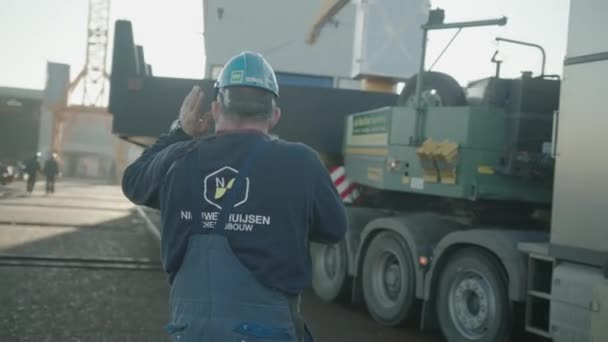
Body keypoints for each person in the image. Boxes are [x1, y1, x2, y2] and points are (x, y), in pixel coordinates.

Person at [122, 51, 347, 341]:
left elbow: (133, 181)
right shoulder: (301, 162)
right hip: (268, 332)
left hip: (189, 333)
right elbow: (333, 229)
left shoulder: (177, 159)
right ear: (274, 115)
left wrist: (180, 132)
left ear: (215, 110)